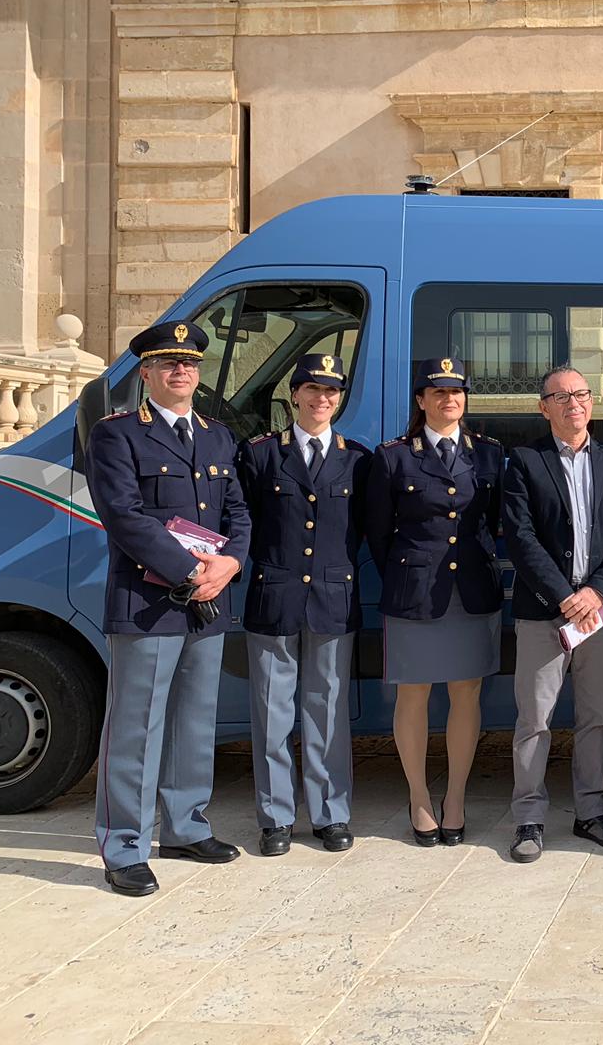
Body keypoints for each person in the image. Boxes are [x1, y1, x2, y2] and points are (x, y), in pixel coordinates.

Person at [87, 319, 251, 896]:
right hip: (148, 602)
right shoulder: (117, 435)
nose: (181, 370)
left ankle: (186, 826)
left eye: (189, 363)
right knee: (135, 727)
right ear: (147, 373)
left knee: (193, 721)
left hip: (207, 601)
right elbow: (123, 515)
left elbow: (238, 512)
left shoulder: (218, 436)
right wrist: (191, 570)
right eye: (168, 362)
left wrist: (229, 564)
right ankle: (124, 845)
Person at [501, 364, 603, 863]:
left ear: (591, 402)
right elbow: (520, 537)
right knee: (534, 719)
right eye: (560, 397)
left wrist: (596, 592)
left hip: (599, 613)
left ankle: (591, 812)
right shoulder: (524, 461)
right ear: (544, 408)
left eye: (580, 394)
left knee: (596, 718)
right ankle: (528, 818)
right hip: (545, 612)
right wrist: (565, 597)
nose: (573, 403)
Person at [366, 356, 504, 848]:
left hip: (472, 591)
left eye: (457, 392)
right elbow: (378, 535)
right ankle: (420, 797)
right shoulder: (393, 457)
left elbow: (492, 522)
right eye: (439, 392)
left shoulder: (488, 453)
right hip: (416, 592)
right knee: (414, 694)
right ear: (421, 400)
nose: (450, 400)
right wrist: (411, 574)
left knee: (467, 692)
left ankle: (457, 798)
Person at [237, 354, 371, 857]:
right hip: (275, 596)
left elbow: (364, 530)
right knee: (271, 714)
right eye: (312, 389)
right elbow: (244, 524)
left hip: (333, 599)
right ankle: (275, 818)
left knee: (327, 712)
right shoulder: (261, 454)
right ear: (294, 395)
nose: (322, 398)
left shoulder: (357, 459)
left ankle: (330, 814)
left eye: (331, 391)